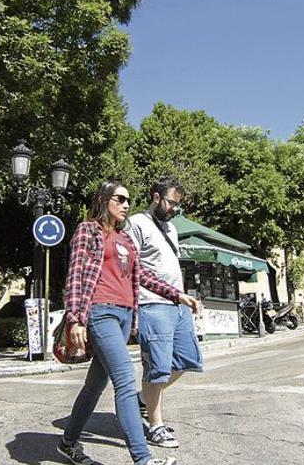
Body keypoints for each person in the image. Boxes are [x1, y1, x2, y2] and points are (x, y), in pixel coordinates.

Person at [58, 180, 199, 465]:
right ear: (102, 199)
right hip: (100, 313)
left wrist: (176, 294)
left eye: (128, 201)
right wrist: (75, 319)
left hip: (124, 317)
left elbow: (142, 276)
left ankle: (67, 443)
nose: (125, 205)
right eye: (120, 199)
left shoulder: (124, 239)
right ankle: (143, 459)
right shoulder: (89, 231)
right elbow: (75, 275)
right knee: (124, 381)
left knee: (94, 385)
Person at [126, 177, 203, 449]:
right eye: (171, 202)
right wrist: (134, 311)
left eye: (178, 205)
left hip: (177, 304)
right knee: (157, 367)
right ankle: (156, 425)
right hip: (152, 303)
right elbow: (133, 268)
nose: (175, 209)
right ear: (156, 196)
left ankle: (142, 399)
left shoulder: (171, 229)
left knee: (186, 360)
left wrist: (184, 296)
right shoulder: (136, 222)